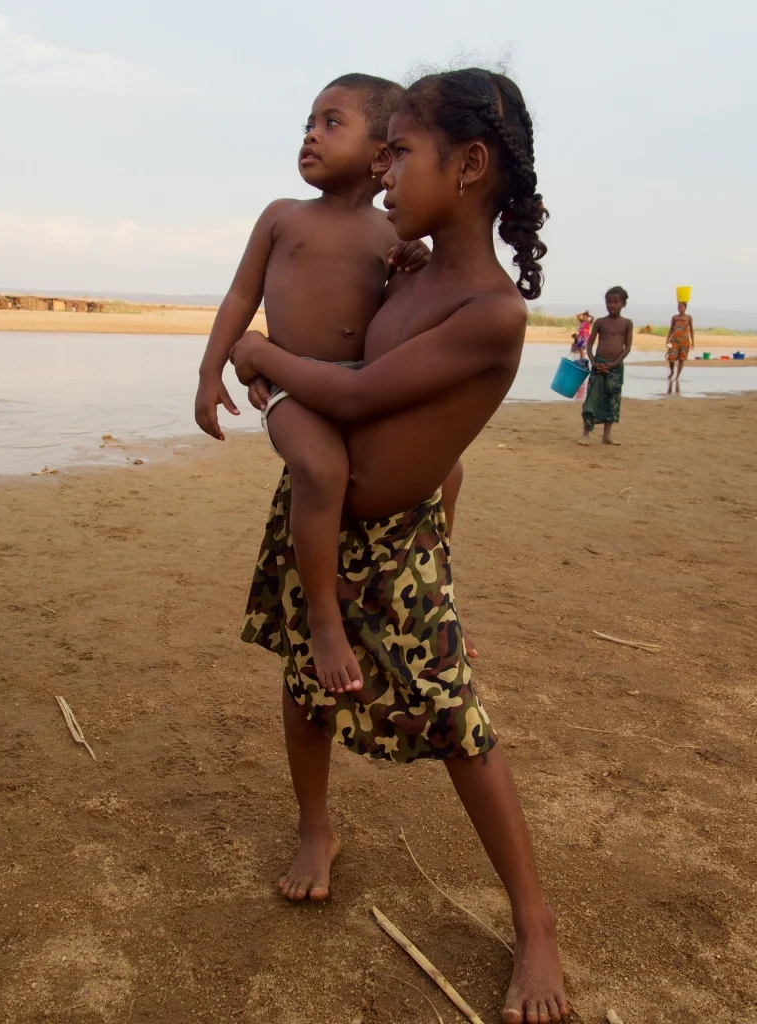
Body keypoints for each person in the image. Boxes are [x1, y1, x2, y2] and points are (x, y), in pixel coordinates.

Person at [230, 67, 570, 1023]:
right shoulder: (408, 276)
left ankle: (535, 923)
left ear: (468, 166)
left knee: (457, 723)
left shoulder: (492, 315)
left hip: (399, 546)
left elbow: (358, 397)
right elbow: (347, 352)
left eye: (401, 155)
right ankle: (316, 826)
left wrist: (259, 358)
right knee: (305, 687)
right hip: (322, 522)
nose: (382, 178)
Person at [195, 73, 447, 694]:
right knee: (321, 470)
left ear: (381, 155)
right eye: (308, 122)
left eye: (332, 122)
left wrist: (414, 265)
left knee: (449, 470)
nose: (310, 133)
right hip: (292, 389)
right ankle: (325, 621)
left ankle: (437, 598)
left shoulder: (392, 233)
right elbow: (239, 295)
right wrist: (210, 369)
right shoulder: (282, 217)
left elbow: (390, 316)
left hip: (360, 384)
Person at [579, 287, 632, 446]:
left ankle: (606, 435)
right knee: (592, 399)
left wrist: (614, 364)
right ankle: (586, 433)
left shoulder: (627, 323)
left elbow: (627, 347)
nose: (612, 305)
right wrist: (594, 362)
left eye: (616, 302)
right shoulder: (600, 322)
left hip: (615, 368)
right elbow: (589, 345)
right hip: (599, 365)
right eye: (609, 302)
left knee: (612, 400)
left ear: (623, 304)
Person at [665, 300, 694, 379]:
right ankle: (672, 371)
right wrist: (668, 339)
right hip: (674, 340)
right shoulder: (675, 317)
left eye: (681, 307)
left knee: (682, 359)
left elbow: (691, 329)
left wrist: (693, 342)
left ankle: (677, 376)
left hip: (684, 341)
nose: (680, 309)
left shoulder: (688, 318)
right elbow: (671, 328)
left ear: (685, 308)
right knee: (671, 357)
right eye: (678, 307)